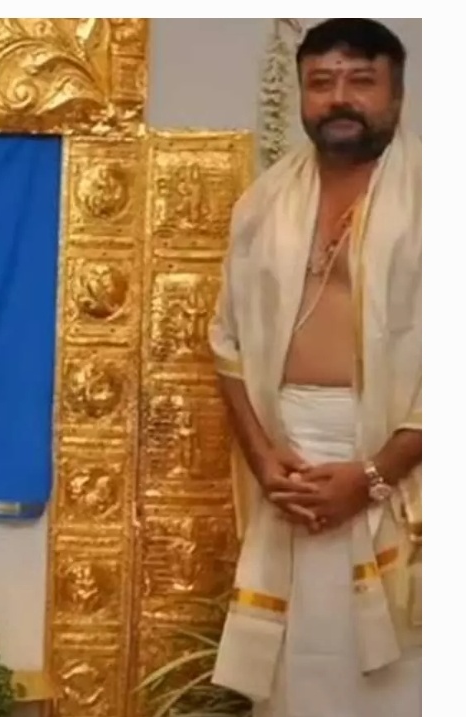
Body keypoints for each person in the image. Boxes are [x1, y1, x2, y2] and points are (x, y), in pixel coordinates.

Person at [208, 18, 421, 717]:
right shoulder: (264, 203)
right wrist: (263, 457)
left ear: (396, 93)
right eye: (321, 82)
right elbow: (227, 343)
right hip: (291, 475)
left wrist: (373, 474)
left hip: (405, 468)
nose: (339, 98)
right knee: (299, 677)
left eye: (361, 81)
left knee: (406, 679)